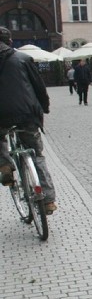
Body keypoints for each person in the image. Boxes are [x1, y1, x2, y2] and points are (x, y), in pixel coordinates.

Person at [0, 27, 57, 214]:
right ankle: (48, 200)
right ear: (9, 41)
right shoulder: (22, 59)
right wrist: (45, 107)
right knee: (37, 154)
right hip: (27, 114)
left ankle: (5, 165)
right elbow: (39, 87)